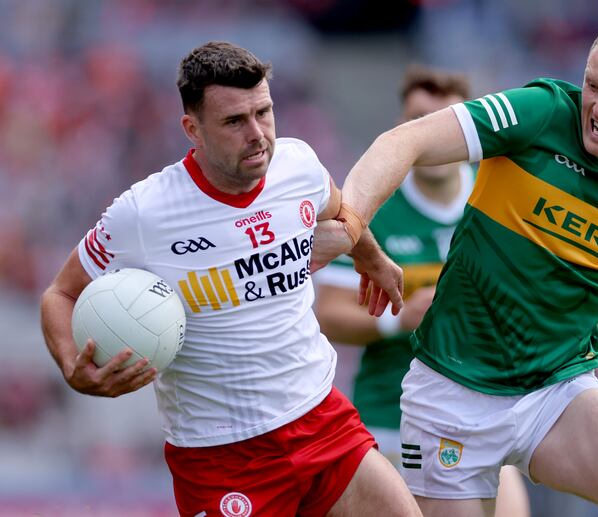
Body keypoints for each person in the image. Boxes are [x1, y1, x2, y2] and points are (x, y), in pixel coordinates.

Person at [40, 41, 420, 517]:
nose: (258, 134)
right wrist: (73, 365)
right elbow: (61, 292)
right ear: (191, 129)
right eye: (235, 121)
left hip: (322, 421)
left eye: (264, 112)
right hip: (222, 457)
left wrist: (374, 259)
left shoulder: (298, 164)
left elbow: (338, 210)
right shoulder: (145, 212)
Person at [333, 16, 598, 517]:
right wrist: (354, 229)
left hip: (557, 386)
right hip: (452, 393)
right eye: (592, 85)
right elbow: (402, 142)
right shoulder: (542, 111)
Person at [314, 65, 530, 517]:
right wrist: (400, 318)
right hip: (393, 416)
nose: (429, 134)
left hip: (486, 414)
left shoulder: (501, 200)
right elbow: (328, 315)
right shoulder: (373, 209)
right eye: (417, 120)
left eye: (443, 121)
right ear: (401, 129)